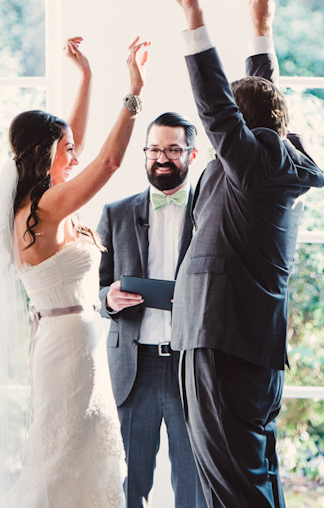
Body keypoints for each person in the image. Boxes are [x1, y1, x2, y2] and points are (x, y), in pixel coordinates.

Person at [0, 35, 148, 508]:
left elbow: (76, 142)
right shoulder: (43, 209)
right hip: (67, 351)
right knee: (62, 462)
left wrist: (87, 76)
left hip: (79, 345)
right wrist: (135, 91)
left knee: (80, 457)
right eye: (66, 148)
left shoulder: (44, 198)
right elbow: (108, 161)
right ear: (45, 153)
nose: (74, 153)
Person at [169, 0, 324, 508]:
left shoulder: (252, 164)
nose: (217, 136)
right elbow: (263, 106)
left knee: (236, 486)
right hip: (239, 342)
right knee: (248, 477)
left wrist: (194, 19)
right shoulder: (272, 161)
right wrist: (261, 34)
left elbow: (221, 106)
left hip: (222, 339)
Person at [97, 111, 206, 508]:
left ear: (192, 155)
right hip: (133, 367)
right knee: (128, 483)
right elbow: (98, 286)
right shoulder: (116, 212)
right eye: (154, 149)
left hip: (190, 368)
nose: (162, 157)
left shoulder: (211, 212)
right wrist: (109, 299)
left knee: (192, 485)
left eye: (173, 149)